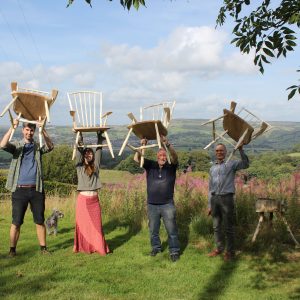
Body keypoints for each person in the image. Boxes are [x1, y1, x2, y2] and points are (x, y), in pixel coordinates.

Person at [0, 119, 54, 256]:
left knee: (39, 221)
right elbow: (2, 144)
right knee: (16, 222)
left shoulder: (37, 147)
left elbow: (50, 146)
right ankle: (12, 251)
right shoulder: (17, 146)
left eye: (32, 130)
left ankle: (43, 249)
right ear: (23, 130)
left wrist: (44, 129)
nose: (29, 132)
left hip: (36, 189)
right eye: (27, 130)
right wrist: (12, 127)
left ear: (34, 132)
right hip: (19, 190)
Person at [134, 136, 180, 262]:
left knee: (171, 229)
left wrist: (168, 144)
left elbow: (175, 157)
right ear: (157, 157)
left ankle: (174, 251)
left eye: (164, 155)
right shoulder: (150, 165)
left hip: (167, 205)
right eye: (160, 155)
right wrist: (142, 145)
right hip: (152, 205)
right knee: (153, 229)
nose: (162, 157)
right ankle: (156, 247)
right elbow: (136, 158)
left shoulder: (171, 167)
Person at [207, 143, 249, 261]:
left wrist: (241, 150)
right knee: (216, 227)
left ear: (225, 152)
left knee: (228, 227)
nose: (219, 152)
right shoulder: (212, 168)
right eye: (217, 151)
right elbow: (210, 188)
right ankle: (219, 249)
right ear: (215, 153)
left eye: (221, 150)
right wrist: (209, 204)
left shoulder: (231, 164)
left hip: (227, 199)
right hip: (215, 199)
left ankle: (230, 252)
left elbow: (245, 164)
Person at [73, 132, 110, 255]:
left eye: (90, 153)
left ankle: (98, 247)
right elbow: (78, 150)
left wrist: (100, 136)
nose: (88, 154)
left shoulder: (96, 166)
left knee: (97, 225)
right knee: (84, 226)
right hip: (83, 201)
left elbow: (99, 150)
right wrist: (80, 136)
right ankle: (85, 247)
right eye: (86, 153)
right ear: (83, 155)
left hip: (94, 201)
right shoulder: (79, 166)